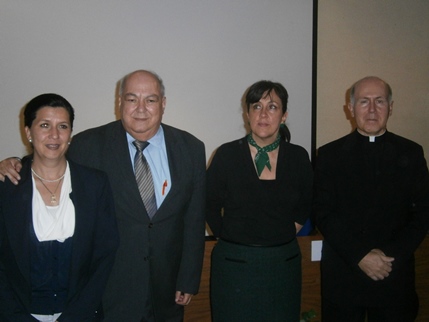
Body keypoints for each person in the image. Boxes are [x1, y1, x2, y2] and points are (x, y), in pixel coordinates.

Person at [0, 70, 207, 321]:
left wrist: (188, 278)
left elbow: (194, 219)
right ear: (119, 103)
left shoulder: (191, 148)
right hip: (110, 290)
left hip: (168, 289)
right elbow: (50, 156)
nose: (141, 108)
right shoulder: (88, 144)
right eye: (132, 99)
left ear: (163, 104)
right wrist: (14, 164)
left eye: (150, 100)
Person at [314, 76, 429, 322]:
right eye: (364, 102)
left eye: (380, 101)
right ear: (351, 108)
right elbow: (323, 212)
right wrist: (361, 255)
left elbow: (423, 214)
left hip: (393, 277)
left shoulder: (412, 152)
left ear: (391, 107)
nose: (373, 109)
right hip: (344, 277)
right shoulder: (328, 155)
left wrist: (388, 258)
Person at [0, 93, 119, 321]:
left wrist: (76, 315)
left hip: (80, 315)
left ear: (70, 134)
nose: (54, 135)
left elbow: (104, 256)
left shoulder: (95, 184)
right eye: (44, 125)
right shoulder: (6, 187)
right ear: (28, 132)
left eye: (62, 126)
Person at [206, 80, 313, 321]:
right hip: (234, 265)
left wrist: (287, 230)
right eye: (256, 106)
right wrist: (229, 235)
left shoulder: (297, 156)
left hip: (283, 265)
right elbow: (209, 202)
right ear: (247, 114)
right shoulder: (227, 154)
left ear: (284, 115)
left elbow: (307, 200)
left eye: (272, 107)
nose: (263, 114)